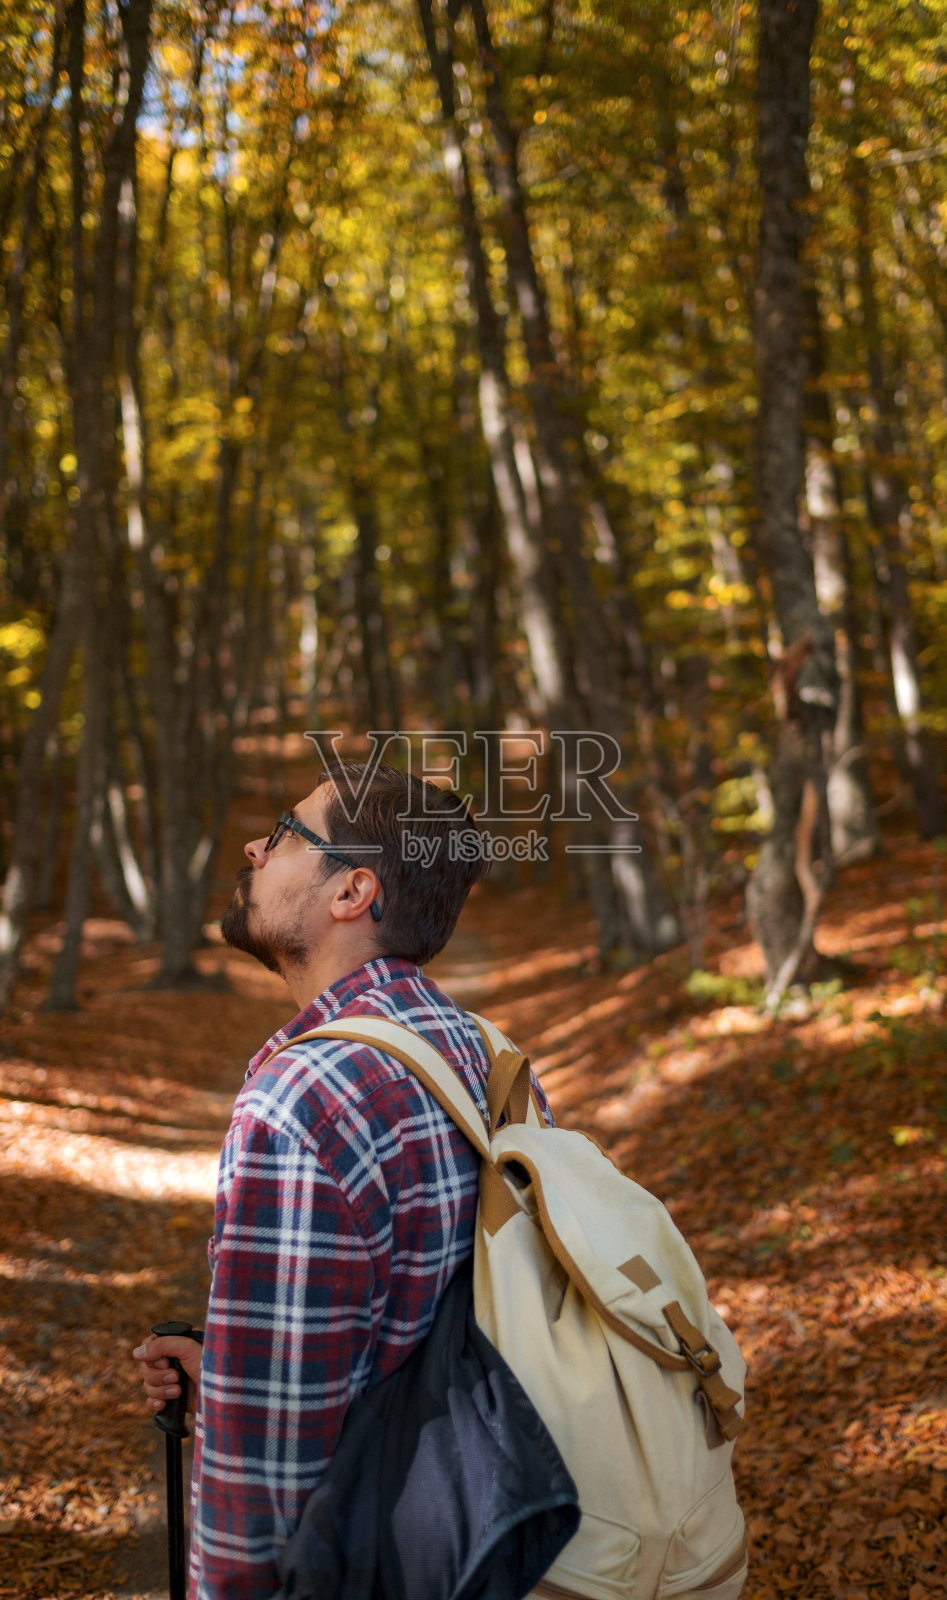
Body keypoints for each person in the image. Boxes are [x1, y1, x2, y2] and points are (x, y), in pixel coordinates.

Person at [132, 761, 549, 1600]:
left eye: (284, 835)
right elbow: (427, 1319)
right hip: (487, 1536)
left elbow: (263, 1475)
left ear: (351, 892)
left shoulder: (300, 1102)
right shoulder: (492, 1057)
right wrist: (234, 1371)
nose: (254, 846)